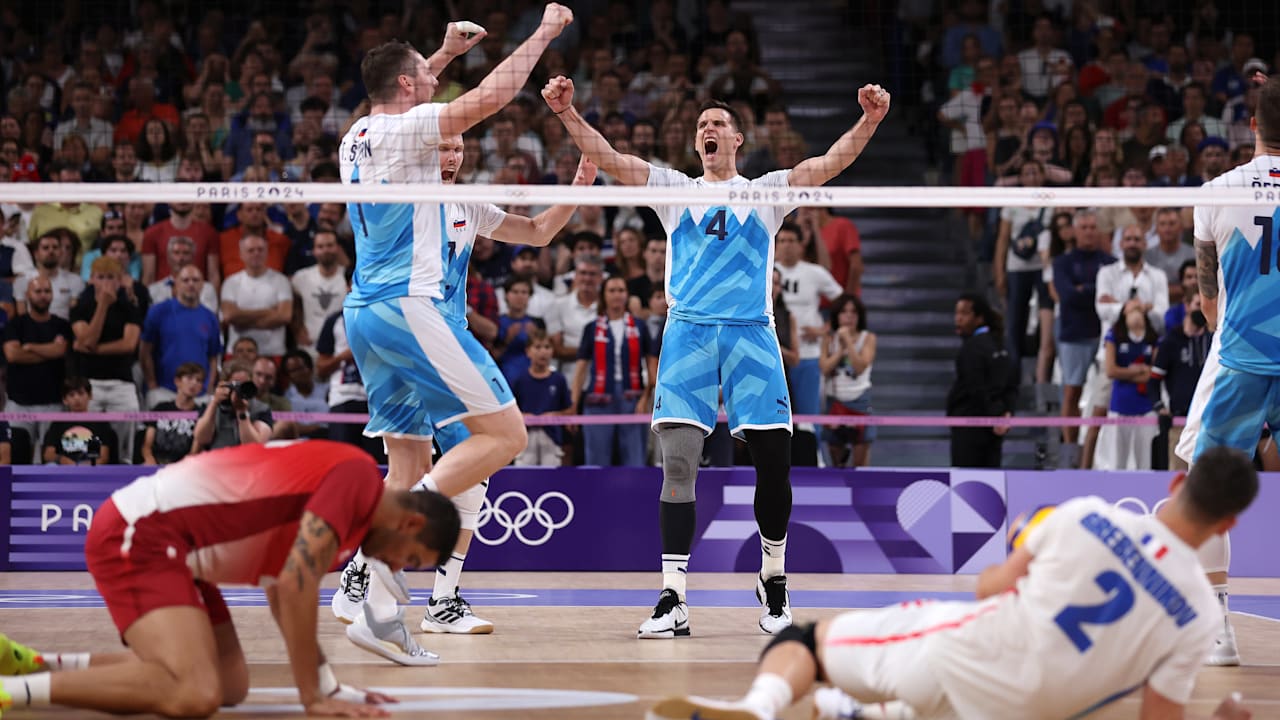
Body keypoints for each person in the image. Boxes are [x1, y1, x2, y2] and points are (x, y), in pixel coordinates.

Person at [543, 72, 890, 637]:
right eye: (702, 125)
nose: (708, 129)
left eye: (718, 124)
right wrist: (565, 113)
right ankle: (673, 596)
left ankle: (773, 577)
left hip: (752, 333)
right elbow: (606, 155)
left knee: (775, 467)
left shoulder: (766, 192)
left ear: (737, 142)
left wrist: (870, 121)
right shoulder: (673, 190)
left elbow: (827, 163)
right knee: (678, 464)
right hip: (689, 334)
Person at [648, 447, 1258, 720]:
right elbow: (1158, 716)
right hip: (1024, 712)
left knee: (803, 643)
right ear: (1229, 523)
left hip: (959, 656)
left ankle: (759, 708)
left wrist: (1022, 550)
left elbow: (990, 590)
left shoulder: (1088, 515)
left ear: (1176, 487)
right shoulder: (1201, 617)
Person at [333, 125, 595, 655]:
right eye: (442, 147)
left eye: (458, 149)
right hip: (409, 330)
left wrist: (579, 185)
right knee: (430, 466)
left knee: (451, 470)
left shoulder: (468, 205)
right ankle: (395, 585)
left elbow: (539, 232)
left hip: (442, 339)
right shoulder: (399, 193)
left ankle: (397, 588)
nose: (451, 156)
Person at [0, 440, 460, 718]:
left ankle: (34, 664)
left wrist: (326, 686)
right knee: (192, 693)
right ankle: (9, 695)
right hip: (143, 531)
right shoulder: (357, 478)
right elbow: (296, 583)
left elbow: (283, 590)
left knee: (229, 684)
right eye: (412, 560)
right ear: (411, 525)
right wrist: (313, 698)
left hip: (182, 553)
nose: (398, 568)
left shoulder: (353, 523)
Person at [1175, 73, 1280, 667]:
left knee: (1205, 485)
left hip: (1240, 354)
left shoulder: (1216, 189)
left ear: (1254, 127)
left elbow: (1209, 300)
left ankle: (1220, 630)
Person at [946, 292, 1017, 468]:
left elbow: (977, 387)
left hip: (970, 428)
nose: (958, 319)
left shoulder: (972, 349)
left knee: (966, 486)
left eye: (964, 314)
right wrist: (1005, 413)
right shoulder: (1002, 344)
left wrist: (997, 414)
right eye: (956, 314)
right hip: (993, 428)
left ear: (979, 318)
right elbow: (1011, 385)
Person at [819, 294, 875, 467]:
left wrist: (849, 343)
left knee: (860, 464)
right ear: (837, 316)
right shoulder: (828, 338)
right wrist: (839, 350)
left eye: (853, 312)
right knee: (837, 461)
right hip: (835, 402)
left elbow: (860, 367)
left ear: (859, 316)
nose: (849, 316)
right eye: (844, 312)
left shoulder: (868, 338)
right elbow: (825, 368)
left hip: (859, 401)